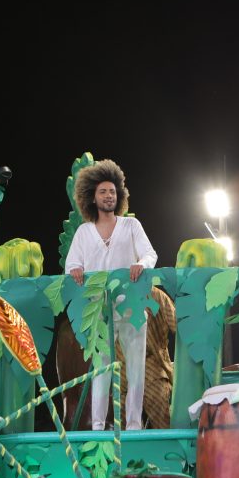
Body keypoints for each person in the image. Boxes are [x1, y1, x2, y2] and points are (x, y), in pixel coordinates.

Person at [66, 159, 157, 431]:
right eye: (103, 192)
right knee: (101, 370)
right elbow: (72, 263)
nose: (109, 196)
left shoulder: (131, 226)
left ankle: (133, 427)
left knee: (136, 370)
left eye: (113, 192)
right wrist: (76, 269)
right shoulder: (83, 232)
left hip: (130, 306)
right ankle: (97, 426)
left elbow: (150, 253)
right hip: (99, 310)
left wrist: (142, 264)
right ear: (92, 197)